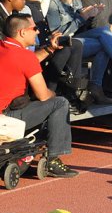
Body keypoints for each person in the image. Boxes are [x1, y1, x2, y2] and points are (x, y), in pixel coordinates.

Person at [0, 13, 77, 178]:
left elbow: (25, 62)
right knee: (60, 103)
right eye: (34, 28)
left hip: (5, 110)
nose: (37, 32)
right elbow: (43, 95)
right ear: (22, 32)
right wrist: (54, 93)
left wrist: (50, 48)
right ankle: (53, 160)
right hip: (7, 116)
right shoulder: (24, 56)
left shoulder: (5, 47)